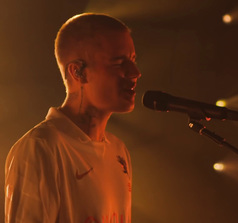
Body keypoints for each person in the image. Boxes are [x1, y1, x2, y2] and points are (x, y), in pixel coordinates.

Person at [4, 13, 141, 223]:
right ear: (78, 72)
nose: (135, 73)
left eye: (132, 60)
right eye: (118, 62)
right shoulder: (41, 148)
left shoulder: (118, 150)